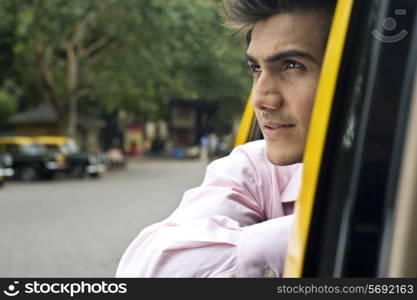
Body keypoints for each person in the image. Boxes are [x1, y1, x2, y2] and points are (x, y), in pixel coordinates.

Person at [116, 0, 336, 277]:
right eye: (255, 69)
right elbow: (149, 270)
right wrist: (326, 229)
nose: (260, 99)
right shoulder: (255, 170)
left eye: (291, 65)